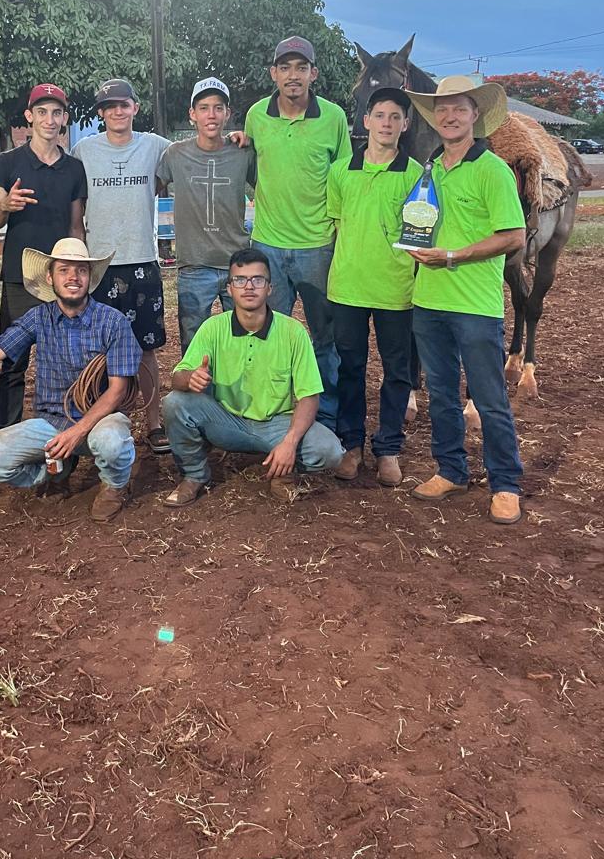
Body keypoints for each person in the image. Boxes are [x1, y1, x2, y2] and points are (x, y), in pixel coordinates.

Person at [403, 75, 527, 525]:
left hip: (475, 304)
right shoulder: (430, 167)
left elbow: (514, 236)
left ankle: (506, 482)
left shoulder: (491, 168)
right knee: (439, 393)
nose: (450, 117)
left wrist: (453, 256)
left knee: (489, 398)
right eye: (443, 109)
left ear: (476, 115)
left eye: (459, 108)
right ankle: (451, 469)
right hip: (429, 300)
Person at [0, 238, 142, 522]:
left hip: (100, 419)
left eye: (81, 270)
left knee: (112, 443)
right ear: (50, 277)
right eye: (64, 270)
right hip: (52, 421)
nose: (73, 277)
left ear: (89, 278)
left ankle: (114, 487)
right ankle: (54, 469)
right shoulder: (39, 317)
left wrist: (76, 433)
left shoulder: (113, 322)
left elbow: (117, 392)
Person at [161, 247, 344, 507]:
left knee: (329, 451)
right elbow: (176, 377)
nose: (249, 287)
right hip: (226, 420)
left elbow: (309, 396)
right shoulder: (213, 328)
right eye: (240, 280)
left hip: (276, 425)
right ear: (230, 288)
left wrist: (290, 443)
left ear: (269, 288)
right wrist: (189, 378)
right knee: (174, 403)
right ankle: (194, 475)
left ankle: (283, 472)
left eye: (258, 280)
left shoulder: (293, 332)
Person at [242, 36, 351, 426]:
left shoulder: (334, 118)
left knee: (325, 339)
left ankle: (327, 418)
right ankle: (273, 413)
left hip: (318, 246)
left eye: (301, 68)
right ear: (273, 73)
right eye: (285, 67)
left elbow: (343, 178)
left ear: (313, 74)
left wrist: (339, 232)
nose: (293, 76)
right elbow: (249, 163)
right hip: (268, 244)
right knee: (269, 334)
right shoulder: (256, 115)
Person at [327, 88, 422, 487]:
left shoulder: (416, 173)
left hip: (395, 290)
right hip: (347, 287)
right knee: (350, 369)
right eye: (379, 115)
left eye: (394, 116)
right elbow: (336, 223)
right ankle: (351, 445)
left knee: (397, 372)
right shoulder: (340, 171)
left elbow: (421, 233)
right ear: (365, 121)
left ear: (405, 124)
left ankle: (388, 448)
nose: (386, 123)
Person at [72, 79, 171, 452]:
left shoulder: (156, 147)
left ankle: (154, 421)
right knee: (99, 350)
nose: (117, 111)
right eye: (109, 105)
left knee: (146, 348)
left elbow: (191, 156)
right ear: (100, 113)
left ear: (135, 107)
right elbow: (76, 203)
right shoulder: (84, 150)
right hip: (99, 266)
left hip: (142, 261)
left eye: (123, 104)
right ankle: (105, 422)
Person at [0, 84, 87, 428]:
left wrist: (82, 273)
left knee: (65, 358)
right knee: (13, 360)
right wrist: (5, 205)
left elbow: (77, 226)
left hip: (62, 277)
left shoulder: (74, 168)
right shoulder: (7, 162)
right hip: (20, 276)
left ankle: (62, 432)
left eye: (57, 113)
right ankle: (8, 434)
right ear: (29, 117)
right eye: (42, 112)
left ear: (64, 118)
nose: (50, 119)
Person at [157, 77, 256, 351]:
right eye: (203, 107)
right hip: (194, 264)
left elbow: (268, 188)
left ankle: (234, 394)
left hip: (235, 262)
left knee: (239, 343)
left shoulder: (242, 152)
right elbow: (145, 190)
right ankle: (197, 395)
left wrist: (249, 139)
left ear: (227, 113)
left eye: (218, 107)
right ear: (192, 114)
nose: (211, 115)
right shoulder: (175, 154)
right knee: (194, 345)